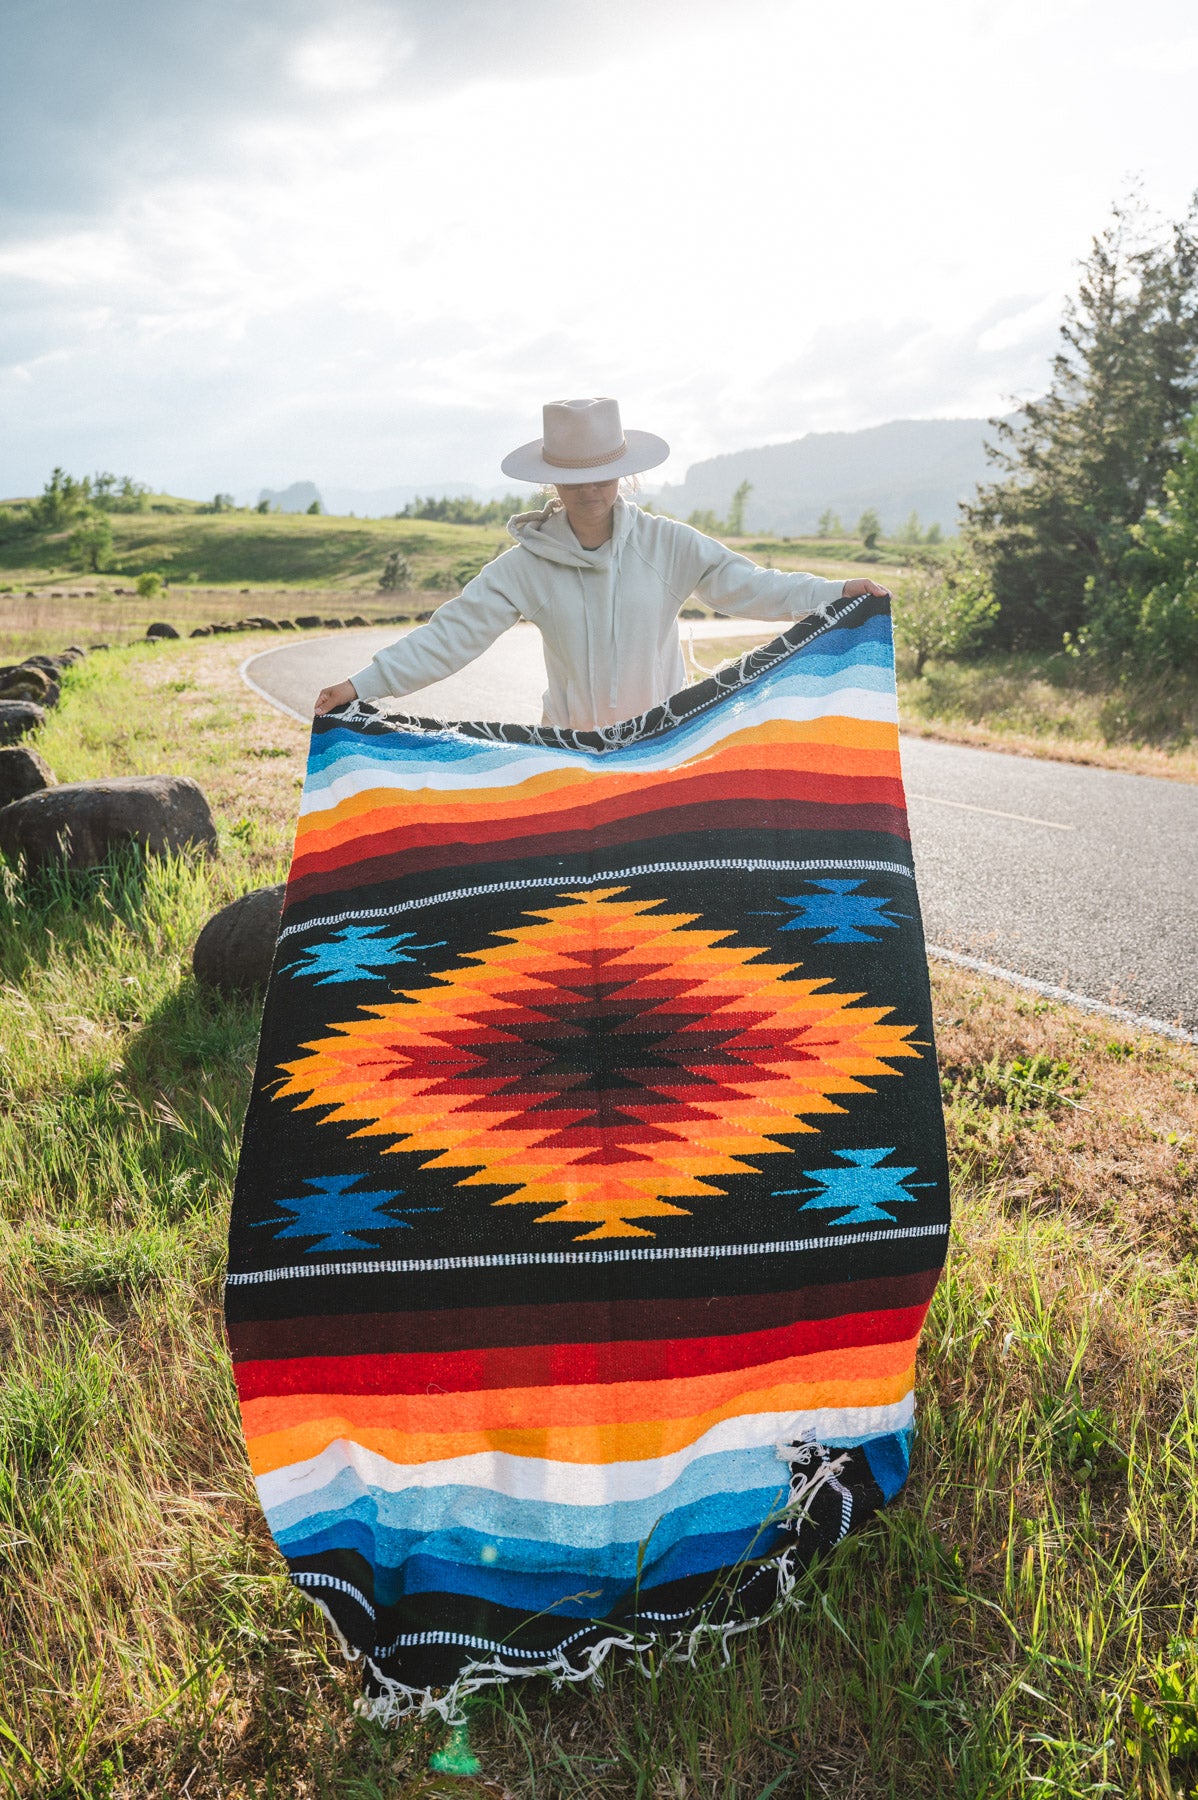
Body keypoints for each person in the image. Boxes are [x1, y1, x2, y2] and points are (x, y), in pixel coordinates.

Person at [314, 396, 890, 730]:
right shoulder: (525, 567)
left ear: (624, 470)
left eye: (602, 471)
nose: (590, 487)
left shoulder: (669, 545)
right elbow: (450, 637)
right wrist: (361, 685)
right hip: (569, 756)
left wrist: (835, 593)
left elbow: (751, 586)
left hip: (664, 747)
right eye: (574, 475)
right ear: (552, 479)